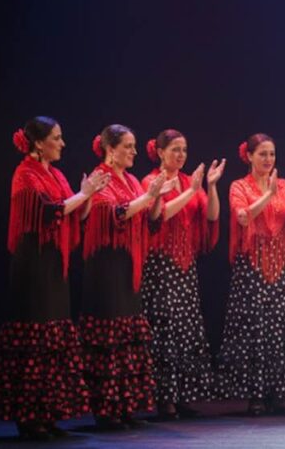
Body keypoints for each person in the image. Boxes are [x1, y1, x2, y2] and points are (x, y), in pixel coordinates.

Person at [0, 117, 109, 440]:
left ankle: (49, 413)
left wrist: (89, 196)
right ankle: (29, 417)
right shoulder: (24, 174)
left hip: (56, 265)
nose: (63, 143)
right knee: (35, 338)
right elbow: (49, 211)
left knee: (55, 337)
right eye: (57, 138)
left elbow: (74, 211)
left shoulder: (56, 174)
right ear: (39, 143)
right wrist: (82, 195)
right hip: (34, 266)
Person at [80, 124, 171, 430]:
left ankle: (125, 406)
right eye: (128, 146)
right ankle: (105, 409)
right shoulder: (100, 177)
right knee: (109, 336)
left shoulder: (131, 179)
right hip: (106, 266)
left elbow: (149, 219)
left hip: (129, 265)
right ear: (110, 149)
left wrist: (156, 197)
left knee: (128, 337)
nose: (134, 152)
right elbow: (114, 213)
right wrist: (149, 196)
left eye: (134, 146)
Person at [217, 133, 285, 415]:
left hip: (280, 267)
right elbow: (243, 216)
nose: (268, 160)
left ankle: (275, 393)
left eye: (272, 154)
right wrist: (268, 195)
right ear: (249, 156)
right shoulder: (239, 186)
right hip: (253, 267)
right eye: (262, 154)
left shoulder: (284, 185)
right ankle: (254, 395)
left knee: (279, 328)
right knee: (254, 329)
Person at [140, 130, 225, 420]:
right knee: (165, 330)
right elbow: (160, 214)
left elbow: (211, 216)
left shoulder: (192, 181)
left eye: (184, 150)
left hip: (186, 267)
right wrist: (190, 192)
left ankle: (184, 395)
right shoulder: (152, 181)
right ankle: (165, 399)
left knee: (186, 331)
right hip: (162, 265)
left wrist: (211, 187)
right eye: (175, 149)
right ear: (160, 152)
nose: (180, 155)